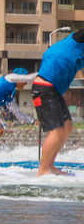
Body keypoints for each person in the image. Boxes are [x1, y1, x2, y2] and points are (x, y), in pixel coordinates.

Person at [31, 29, 84, 176]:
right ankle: (42, 170)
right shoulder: (77, 40)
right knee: (57, 130)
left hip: (53, 90)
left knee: (67, 127)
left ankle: (50, 166)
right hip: (44, 88)